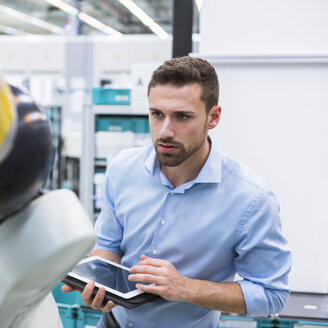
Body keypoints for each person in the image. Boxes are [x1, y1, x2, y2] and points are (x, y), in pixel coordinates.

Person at [62, 56, 292, 328]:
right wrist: (96, 283)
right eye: (157, 114)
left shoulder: (251, 199)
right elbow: (109, 247)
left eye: (182, 116)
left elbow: (272, 294)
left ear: (213, 117)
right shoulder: (122, 169)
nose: (165, 131)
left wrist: (185, 288)